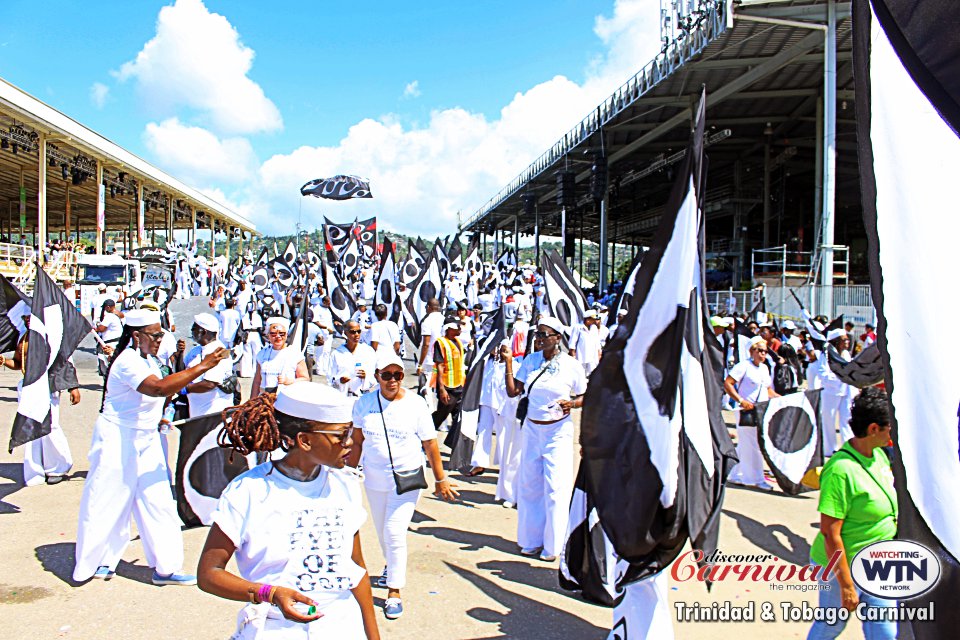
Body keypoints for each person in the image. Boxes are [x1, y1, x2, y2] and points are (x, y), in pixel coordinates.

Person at [198, 383, 381, 639]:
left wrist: (373, 636)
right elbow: (209, 574)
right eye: (341, 434)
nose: (350, 442)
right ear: (305, 440)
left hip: (341, 626)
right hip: (273, 628)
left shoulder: (344, 485)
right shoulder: (249, 491)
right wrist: (269, 594)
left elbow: (356, 569)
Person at [73, 308, 230, 584]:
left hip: (147, 438)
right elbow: (157, 388)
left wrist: (164, 414)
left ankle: (165, 568)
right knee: (108, 500)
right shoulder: (127, 361)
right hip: (117, 438)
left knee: (158, 502)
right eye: (154, 335)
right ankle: (96, 562)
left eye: (162, 334)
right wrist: (203, 366)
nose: (160, 339)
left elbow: (162, 394)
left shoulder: (149, 360)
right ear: (136, 336)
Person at [348, 351, 458, 621]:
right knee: (384, 531)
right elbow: (358, 441)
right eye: (386, 375)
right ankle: (391, 566)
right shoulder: (364, 403)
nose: (393, 380)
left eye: (398, 374)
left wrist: (441, 479)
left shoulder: (416, 404)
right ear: (377, 377)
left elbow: (430, 443)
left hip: (407, 479)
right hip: (375, 479)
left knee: (394, 531)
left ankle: (394, 591)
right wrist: (346, 473)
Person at [807, 387, 898, 640]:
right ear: (873, 429)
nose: (893, 431)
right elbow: (830, 533)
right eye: (890, 426)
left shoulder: (879, 456)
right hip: (841, 567)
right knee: (832, 624)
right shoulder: (840, 471)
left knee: (885, 632)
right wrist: (847, 585)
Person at [504, 317, 586, 562]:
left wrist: (571, 403)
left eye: (543, 335)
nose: (538, 339)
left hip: (557, 433)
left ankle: (554, 545)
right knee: (529, 486)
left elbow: (585, 395)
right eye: (537, 335)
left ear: (557, 338)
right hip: (531, 429)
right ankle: (530, 541)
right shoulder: (530, 361)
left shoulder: (571, 365)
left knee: (555, 489)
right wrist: (509, 362)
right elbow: (513, 391)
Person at [5, 313, 80, 486]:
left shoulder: (52, 336)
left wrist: (73, 387)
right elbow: (18, 363)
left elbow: (66, 362)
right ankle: (35, 470)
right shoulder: (23, 338)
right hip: (27, 386)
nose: (28, 319)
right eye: (25, 317)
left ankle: (59, 467)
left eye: (32, 315)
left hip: (48, 385)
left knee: (51, 425)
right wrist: (3, 361)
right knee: (30, 426)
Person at [724, 336, 780, 490]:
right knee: (753, 444)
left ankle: (731, 472)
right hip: (746, 411)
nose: (763, 354)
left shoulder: (764, 368)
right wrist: (741, 400)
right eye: (760, 350)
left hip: (761, 411)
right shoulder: (743, 366)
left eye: (765, 351)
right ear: (752, 351)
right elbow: (728, 384)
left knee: (746, 444)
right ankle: (755, 479)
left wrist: (781, 399)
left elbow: (768, 389)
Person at [183, 313, 234, 418]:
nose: (192, 331)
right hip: (197, 411)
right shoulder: (197, 350)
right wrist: (179, 354)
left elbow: (209, 384)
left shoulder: (220, 351)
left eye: (194, 328)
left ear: (203, 332)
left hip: (214, 414)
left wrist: (185, 389)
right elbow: (183, 371)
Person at [817, 329, 857, 456]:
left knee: (847, 419)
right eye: (844, 339)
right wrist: (840, 379)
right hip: (831, 392)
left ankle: (848, 447)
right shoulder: (826, 355)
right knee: (829, 420)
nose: (847, 341)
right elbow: (823, 374)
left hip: (846, 391)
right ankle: (830, 449)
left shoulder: (845, 353)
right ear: (837, 341)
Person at [251, 317, 309, 397]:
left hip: (286, 400)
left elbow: (305, 378)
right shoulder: (262, 354)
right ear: (268, 335)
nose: (278, 337)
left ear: (286, 334)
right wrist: (252, 402)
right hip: (265, 400)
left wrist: (289, 381)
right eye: (273, 334)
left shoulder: (295, 354)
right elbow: (257, 381)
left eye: (282, 333)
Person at [431, 316, 466, 433]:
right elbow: (439, 366)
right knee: (441, 414)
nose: (460, 329)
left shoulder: (458, 342)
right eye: (457, 327)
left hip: (459, 385)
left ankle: (456, 447)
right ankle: (426, 432)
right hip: (447, 386)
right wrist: (442, 389)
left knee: (459, 418)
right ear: (449, 328)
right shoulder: (441, 343)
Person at [330, 320, 377, 397]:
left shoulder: (368, 351)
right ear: (345, 333)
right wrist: (340, 381)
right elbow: (330, 378)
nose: (356, 335)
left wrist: (366, 377)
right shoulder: (337, 353)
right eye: (353, 332)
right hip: (343, 397)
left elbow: (375, 376)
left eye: (359, 331)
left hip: (362, 397)